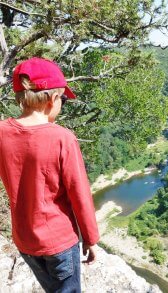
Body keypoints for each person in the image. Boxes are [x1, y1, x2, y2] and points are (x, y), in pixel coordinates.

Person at [0, 57, 100, 292]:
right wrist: (91, 239)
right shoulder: (62, 138)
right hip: (59, 242)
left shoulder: (2, 132)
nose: (63, 104)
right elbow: (80, 194)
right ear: (53, 99)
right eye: (63, 99)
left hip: (25, 241)